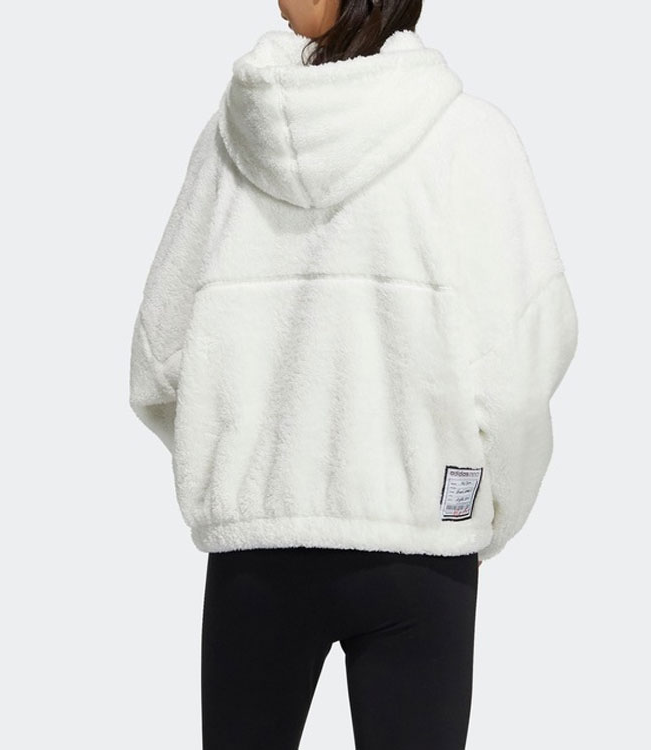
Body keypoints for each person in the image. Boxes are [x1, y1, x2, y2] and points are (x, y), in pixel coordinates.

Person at [128, 1, 579, 748]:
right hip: (420, 547)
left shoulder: (230, 142)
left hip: (258, 554)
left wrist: (243, 466)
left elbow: (158, 361)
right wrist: (483, 507)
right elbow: (521, 365)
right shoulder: (468, 137)